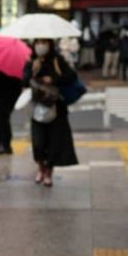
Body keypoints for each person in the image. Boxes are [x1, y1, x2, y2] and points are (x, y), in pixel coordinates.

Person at [23, 38, 79, 186]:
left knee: (54, 142)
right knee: (38, 143)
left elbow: (71, 76)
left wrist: (53, 78)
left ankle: (48, 171)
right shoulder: (32, 61)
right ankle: (40, 168)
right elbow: (24, 80)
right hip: (37, 107)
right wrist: (33, 70)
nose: (41, 46)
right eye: (38, 42)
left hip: (56, 107)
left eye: (44, 42)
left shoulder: (57, 60)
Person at [0, 67, 24, 154]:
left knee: (2, 122)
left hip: (2, 97)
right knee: (4, 121)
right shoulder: (15, 68)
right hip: (11, 97)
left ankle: (5, 145)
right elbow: (19, 84)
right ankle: (5, 144)